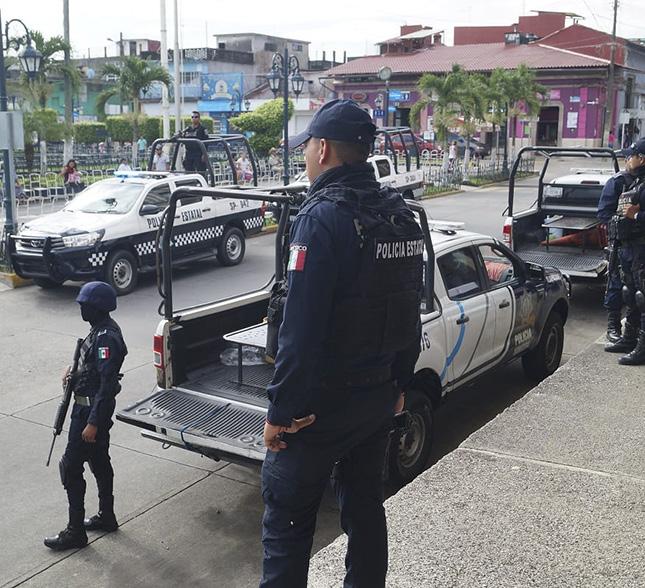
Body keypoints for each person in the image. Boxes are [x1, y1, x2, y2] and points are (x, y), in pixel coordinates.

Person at [260, 99, 424, 587]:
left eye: (307, 146)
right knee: (365, 509)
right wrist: (399, 384)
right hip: (377, 397)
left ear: (323, 149)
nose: (305, 156)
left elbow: (300, 329)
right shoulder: (400, 214)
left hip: (318, 410)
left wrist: (280, 411)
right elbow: (408, 308)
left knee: (286, 532)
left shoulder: (320, 217)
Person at [44, 282, 128, 550]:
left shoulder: (106, 337)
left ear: (97, 307)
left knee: (70, 468)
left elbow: (107, 384)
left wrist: (93, 423)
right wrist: (73, 372)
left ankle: (75, 532)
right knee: (99, 461)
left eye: (85, 304)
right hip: (88, 410)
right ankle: (107, 516)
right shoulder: (98, 331)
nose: (81, 308)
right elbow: (93, 371)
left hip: (90, 413)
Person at [603, 138, 645, 365]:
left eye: (632, 155)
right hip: (629, 246)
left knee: (641, 297)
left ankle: (641, 349)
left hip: (641, 247)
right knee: (631, 293)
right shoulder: (634, 181)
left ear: (642, 159)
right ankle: (629, 339)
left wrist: (635, 215)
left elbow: (635, 213)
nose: (628, 159)